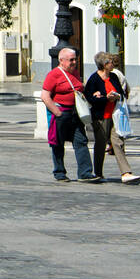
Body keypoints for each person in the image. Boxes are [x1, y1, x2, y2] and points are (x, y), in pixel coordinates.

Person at [40, 47, 98, 182]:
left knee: (81, 141)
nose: (74, 62)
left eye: (75, 60)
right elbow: (45, 96)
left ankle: (85, 173)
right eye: (71, 60)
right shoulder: (54, 75)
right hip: (62, 114)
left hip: (75, 113)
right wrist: (57, 112)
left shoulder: (76, 73)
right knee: (58, 144)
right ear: (61, 60)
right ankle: (59, 173)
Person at [85, 51, 140, 183]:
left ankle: (126, 173)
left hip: (116, 114)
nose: (112, 64)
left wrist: (116, 96)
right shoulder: (94, 79)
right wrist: (104, 98)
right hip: (101, 116)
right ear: (104, 65)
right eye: (110, 62)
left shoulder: (114, 76)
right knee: (100, 144)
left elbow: (121, 92)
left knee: (118, 142)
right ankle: (98, 172)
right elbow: (90, 98)